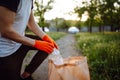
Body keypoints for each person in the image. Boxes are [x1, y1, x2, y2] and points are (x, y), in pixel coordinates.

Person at [0, 0, 58, 80]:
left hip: (20, 41)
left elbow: (31, 23)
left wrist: (46, 38)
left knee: (48, 46)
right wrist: (36, 43)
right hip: (6, 51)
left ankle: (26, 75)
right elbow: (6, 31)